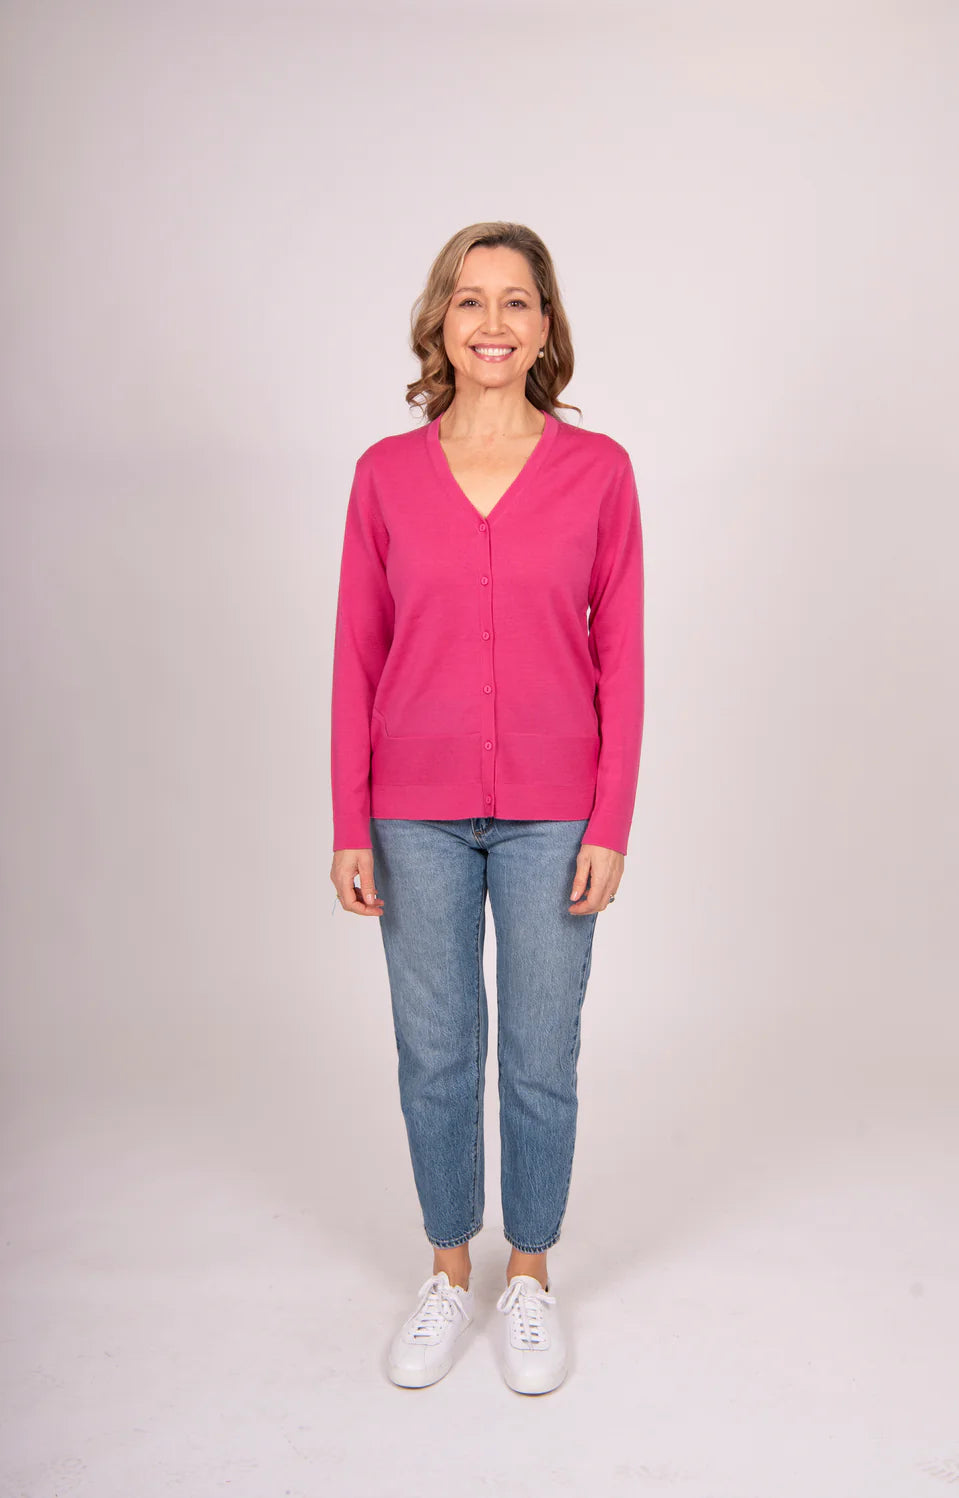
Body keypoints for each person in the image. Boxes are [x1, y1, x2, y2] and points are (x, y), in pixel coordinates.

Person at [329, 221, 644, 1395]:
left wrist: (610, 820)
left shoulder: (597, 471)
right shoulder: (383, 475)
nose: (494, 322)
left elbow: (624, 657)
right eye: (471, 300)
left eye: (517, 301)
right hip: (409, 809)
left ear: (545, 326)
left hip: (556, 813)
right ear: (441, 323)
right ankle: (448, 1272)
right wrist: (349, 820)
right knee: (435, 1052)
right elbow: (356, 655)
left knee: (541, 1055)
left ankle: (530, 1279)